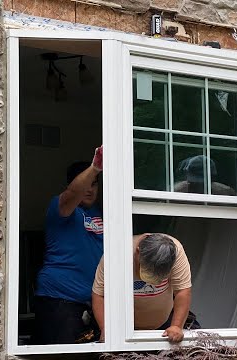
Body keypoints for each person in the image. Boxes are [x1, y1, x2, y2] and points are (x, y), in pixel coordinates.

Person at [33, 146, 104, 345]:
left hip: (92, 305)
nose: (90, 189)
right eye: (87, 183)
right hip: (59, 301)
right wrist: (95, 169)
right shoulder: (60, 208)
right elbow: (73, 193)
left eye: (95, 184)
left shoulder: (101, 214)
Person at [92, 233, 193, 343]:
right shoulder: (117, 252)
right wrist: (106, 329)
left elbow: (182, 291)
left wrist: (176, 326)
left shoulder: (175, 252)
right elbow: (99, 294)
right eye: (147, 274)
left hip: (162, 325)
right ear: (138, 252)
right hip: (121, 327)